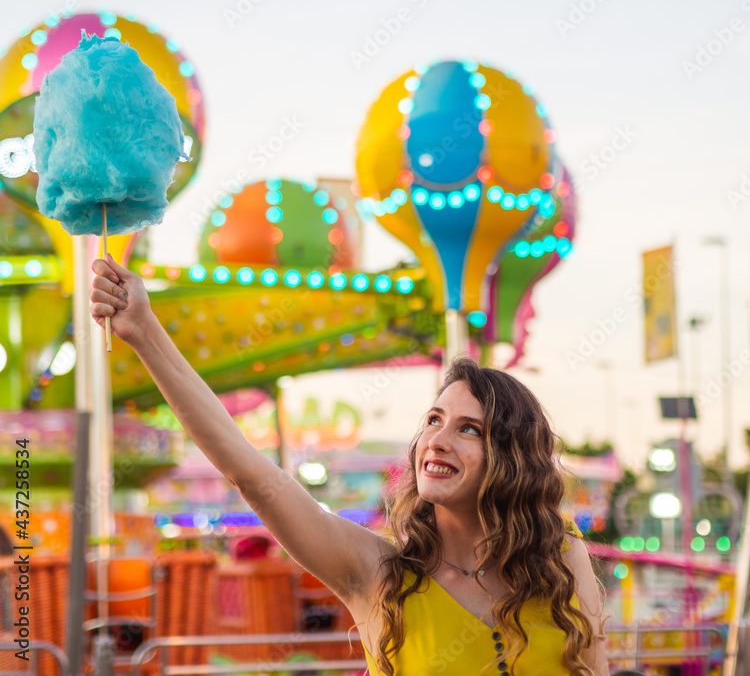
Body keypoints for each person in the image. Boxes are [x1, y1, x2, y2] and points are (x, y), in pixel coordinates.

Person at [91, 255, 608, 675]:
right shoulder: (380, 576)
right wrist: (144, 332)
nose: (438, 440)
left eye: (469, 428)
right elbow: (256, 477)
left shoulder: (560, 562)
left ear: (514, 459)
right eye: (434, 419)